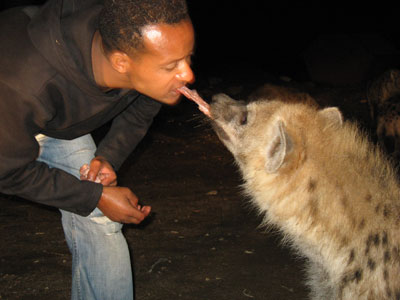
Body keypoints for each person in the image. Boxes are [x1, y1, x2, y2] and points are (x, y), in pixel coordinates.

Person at [0, 0, 195, 299]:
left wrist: (107, 157)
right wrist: (97, 195)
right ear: (121, 63)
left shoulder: (132, 39)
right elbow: (7, 171)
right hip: (10, 113)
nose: (188, 75)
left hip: (51, 118)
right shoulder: (23, 83)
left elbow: (143, 103)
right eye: (171, 66)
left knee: (100, 218)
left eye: (187, 58)